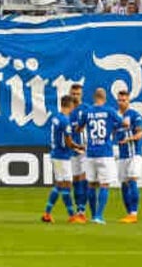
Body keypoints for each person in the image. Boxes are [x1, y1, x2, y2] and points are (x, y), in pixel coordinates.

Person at [81, 87, 124, 224]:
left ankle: (93, 215)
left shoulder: (87, 112)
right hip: (105, 153)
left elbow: (79, 128)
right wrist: (113, 128)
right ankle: (99, 216)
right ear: (105, 98)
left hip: (91, 153)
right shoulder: (110, 111)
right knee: (104, 184)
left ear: (94, 97)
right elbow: (123, 123)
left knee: (91, 184)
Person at [42, 95, 81, 223]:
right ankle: (72, 215)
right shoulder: (65, 121)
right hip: (62, 157)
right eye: (73, 106)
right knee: (67, 185)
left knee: (59, 185)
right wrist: (79, 147)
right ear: (70, 105)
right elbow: (68, 142)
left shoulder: (56, 118)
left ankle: (47, 214)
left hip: (55, 154)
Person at [115, 89, 142, 223]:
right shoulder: (116, 116)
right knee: (123, 184)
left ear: (128, 101)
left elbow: (140, 134)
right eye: (119, 100)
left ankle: (134, 213)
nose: (121, 102)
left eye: (124, 100)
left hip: (134, 154)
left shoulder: (134, 115)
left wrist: (129, 139)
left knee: (132, 180)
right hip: (122, 155)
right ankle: (128, 214)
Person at [68, 83, 90, 223]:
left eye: (77, 94)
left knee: (83, 178)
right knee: (75, 180)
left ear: (81, 95)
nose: (75, 96)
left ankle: (82, 210)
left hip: (85, 149)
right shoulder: (67, 111)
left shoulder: (87, 109)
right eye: (73, 94)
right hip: (72, 150)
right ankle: (79, 210)